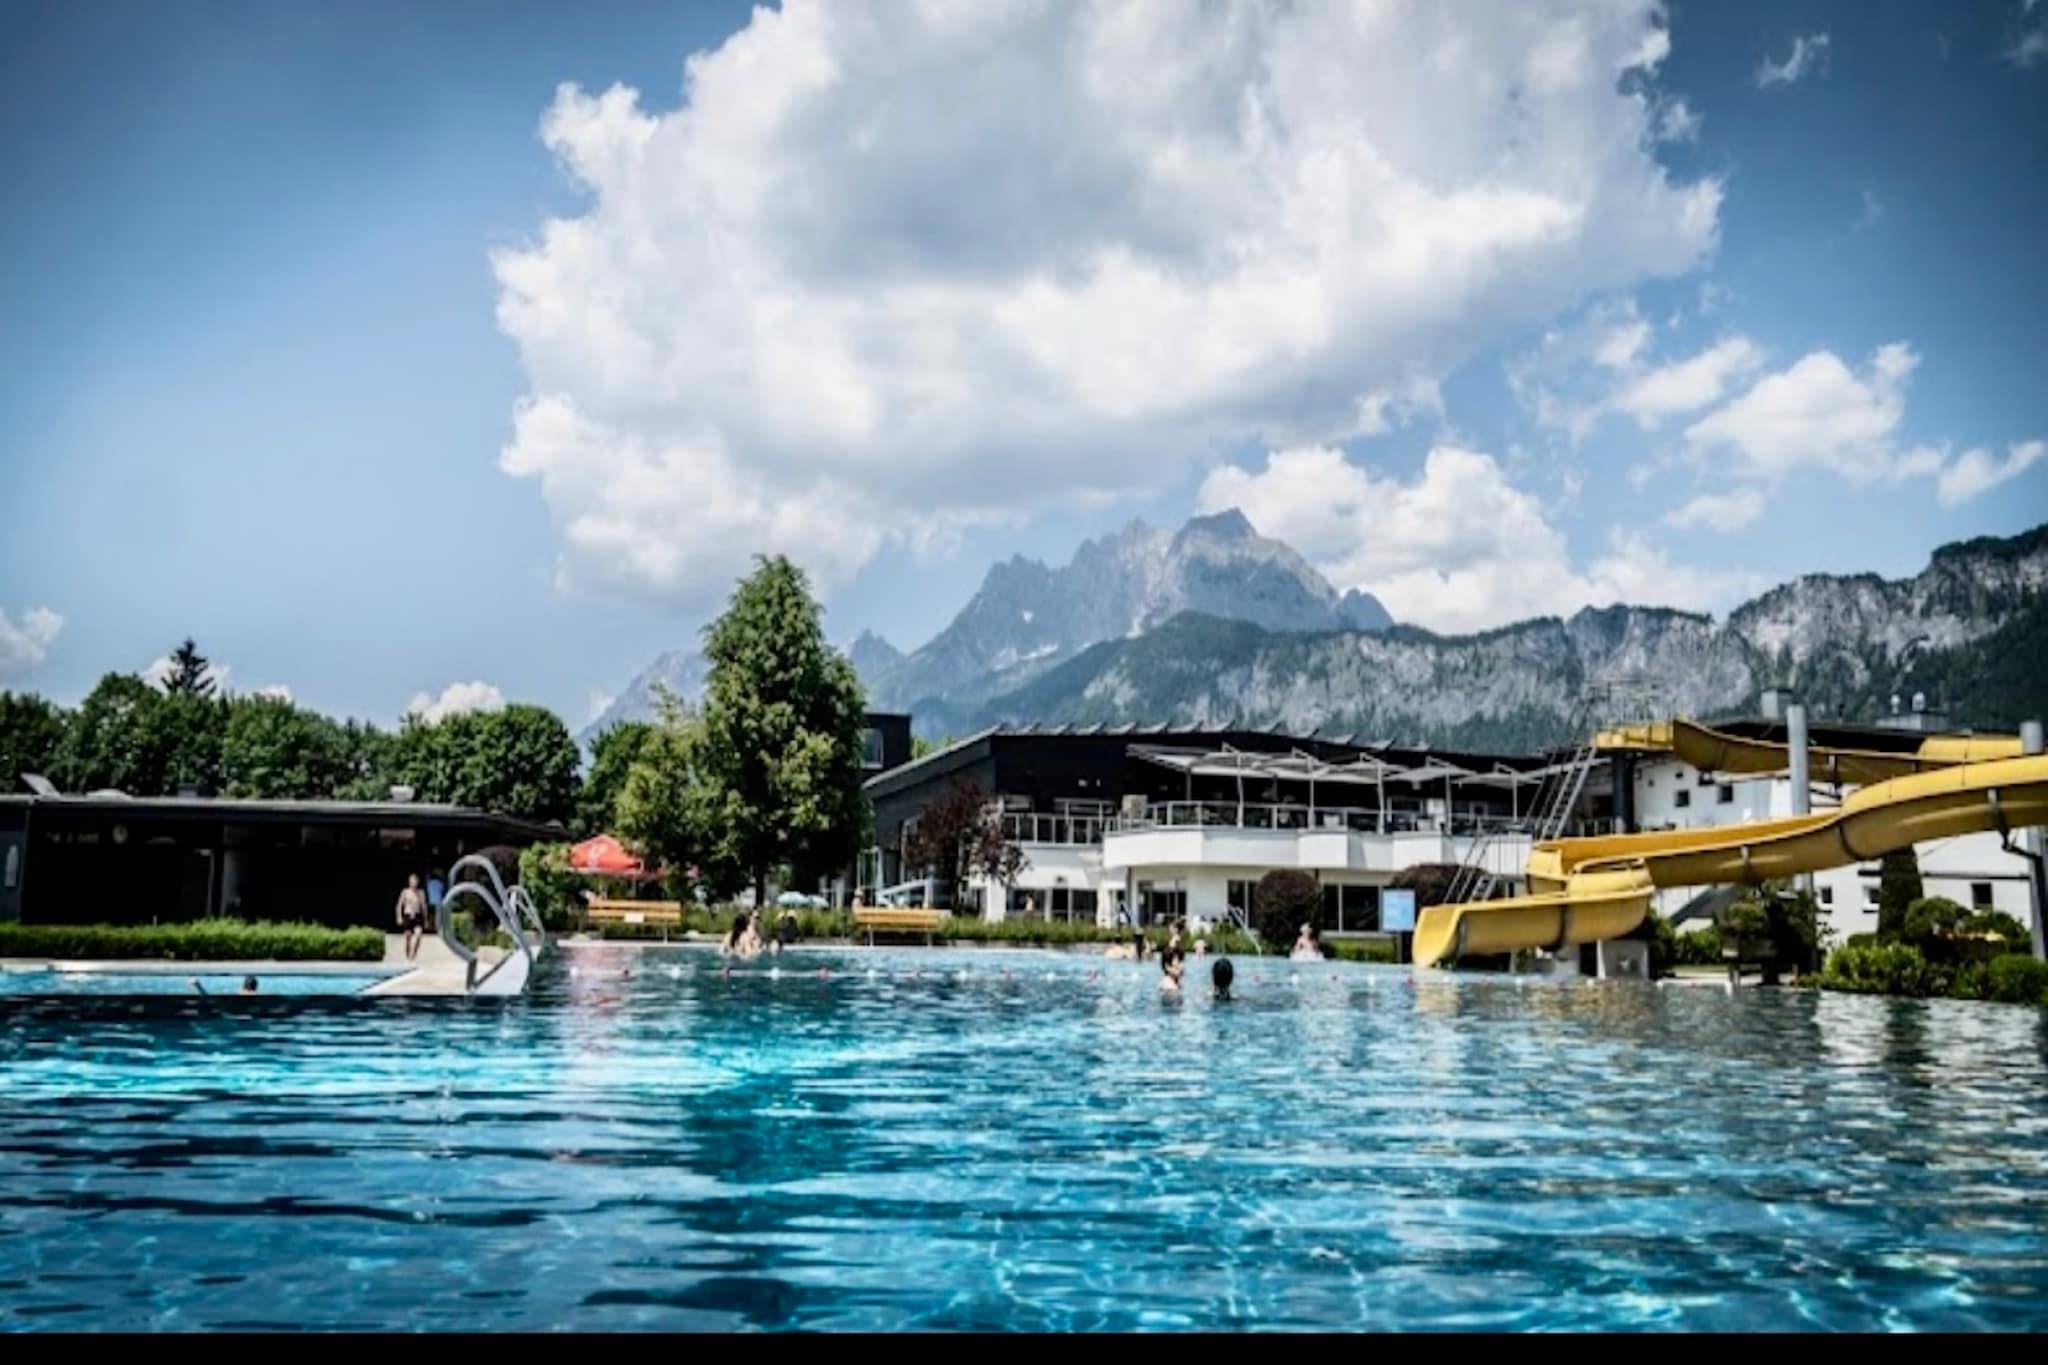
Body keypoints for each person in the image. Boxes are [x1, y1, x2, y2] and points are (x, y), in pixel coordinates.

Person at [396, 874, 428, 962]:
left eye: (415, 881)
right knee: (408, 937)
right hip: (408, 915)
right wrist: (399, 917)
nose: (413, 883)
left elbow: (424, 907)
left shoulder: (421, 893)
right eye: (412, 881)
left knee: (419, 935)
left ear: (417, 882)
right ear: (409, 882)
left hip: (417, 916)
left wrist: (425, 919)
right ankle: (408, 953)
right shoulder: (405, 892)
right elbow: (399, 905)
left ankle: (414, 953)